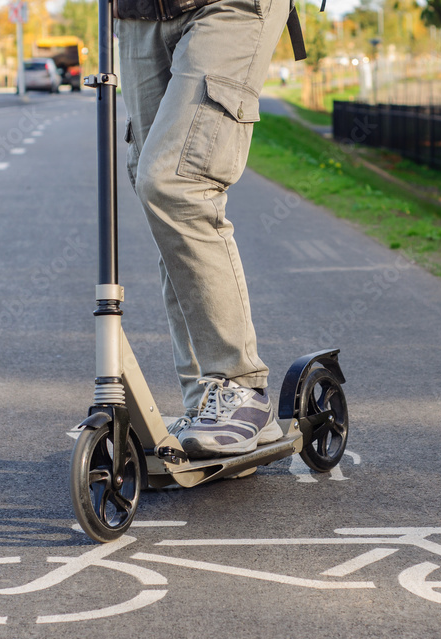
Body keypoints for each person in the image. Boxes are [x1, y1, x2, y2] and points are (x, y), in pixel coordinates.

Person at [115, 0, 293, 459]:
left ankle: (240, 388)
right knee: (162, 203)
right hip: (136, 15)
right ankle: (206, 402)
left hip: (226, 5)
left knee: (174, 182)